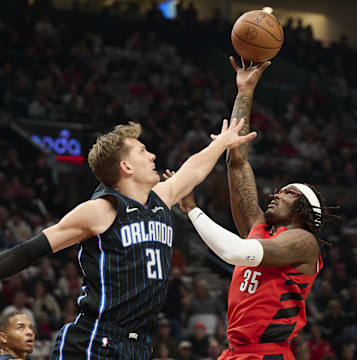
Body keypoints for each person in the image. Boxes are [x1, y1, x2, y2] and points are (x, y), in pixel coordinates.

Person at [0, 119, 256, 360]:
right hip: (95, 341)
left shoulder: (161, 198)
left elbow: (196, 167)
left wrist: (222, 142)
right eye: (143, 151)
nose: (152, 156)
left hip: (138, 344)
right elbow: (28, 251)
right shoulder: (102, 209)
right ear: (126, 167)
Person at [178, 56, 339, 360]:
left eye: (288, 193)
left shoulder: (304, 243)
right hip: (236, 352)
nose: (276, 193)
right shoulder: (263, 229)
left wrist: (193, 211)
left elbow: (234, 253)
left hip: (267, 354)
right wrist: (245, 92)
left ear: (304, 210)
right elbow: (236, 159)